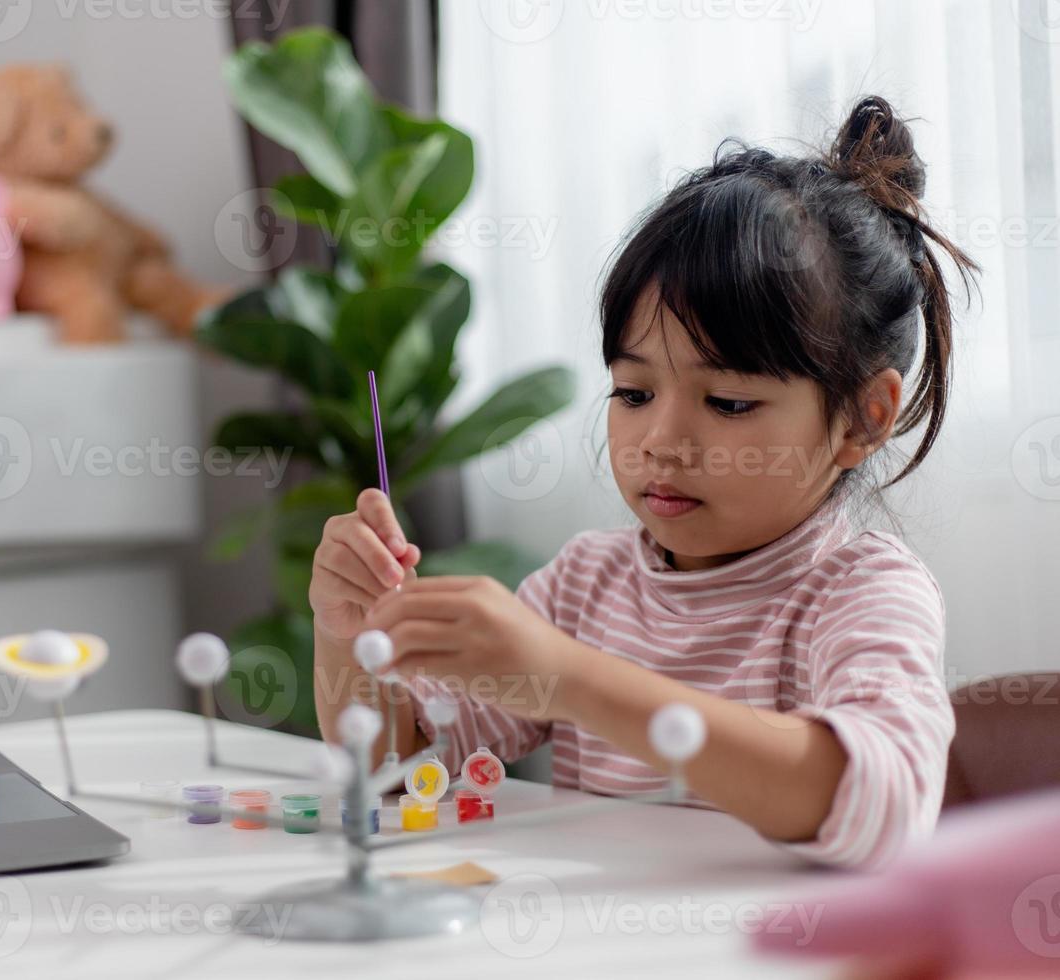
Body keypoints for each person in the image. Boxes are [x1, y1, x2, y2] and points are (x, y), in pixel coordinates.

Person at [309, 96, 978, 871]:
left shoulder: (861, 590)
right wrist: (345, 634)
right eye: (633, 393)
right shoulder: (584, 587)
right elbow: (397, 777)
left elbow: (886, 803)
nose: (661, 443)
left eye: (728, 402)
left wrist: (573, 681)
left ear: (864, 418)